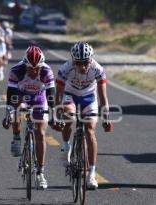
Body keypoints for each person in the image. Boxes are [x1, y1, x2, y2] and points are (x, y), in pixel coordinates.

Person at [54, 42, 113, 189]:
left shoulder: (98, 69)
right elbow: (58, 96)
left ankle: (91, 174)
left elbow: (103, 98)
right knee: (69, 118)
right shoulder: (65, 69)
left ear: (91, 60)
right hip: (70, 96)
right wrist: (57, 115)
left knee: (90, 131)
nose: (82, 67)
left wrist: (106, 118)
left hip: (89, 99)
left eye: (85, 63)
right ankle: (66, 147)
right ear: (73, 60)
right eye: (79, 63)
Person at [2, 46, 56, 189]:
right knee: (17, 110)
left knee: (41, 133)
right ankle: (16, 137)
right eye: (31, 69)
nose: (34, 72)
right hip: (21, 96)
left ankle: (40, 172)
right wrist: (9, 114)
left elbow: (51, 95)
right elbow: (11, 96)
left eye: (37, 68)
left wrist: (54, 114)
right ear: (25, 65)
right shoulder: (16, 71)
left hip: (40, 98)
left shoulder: (46, 71)